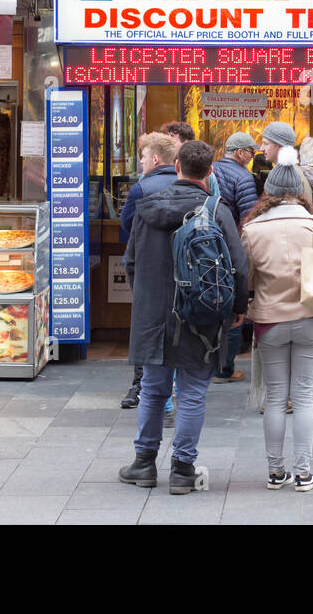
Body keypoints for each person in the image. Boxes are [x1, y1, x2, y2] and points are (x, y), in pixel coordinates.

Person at [119, 140, 249, 493]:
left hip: (153, 316)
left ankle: (143, 464)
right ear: (210, 172)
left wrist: (145, 299)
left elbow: (130, 262)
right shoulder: (217, 210)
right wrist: (238, 308)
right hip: (201, 315)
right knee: (191, 394)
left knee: (152, 389)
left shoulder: (147, 209)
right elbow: (238, 267)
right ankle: (182, 469)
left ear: (176, 165)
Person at [240, 146, 313, 492]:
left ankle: (275, 472)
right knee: (305, 396)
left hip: (270, 321)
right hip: (312, 317)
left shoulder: (252, 229)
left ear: (268, 190)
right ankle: (303, 472)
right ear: (299, 190)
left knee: (277, 398)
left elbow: (247, 279)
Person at [118, 133, 180, 409]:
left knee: (147, 329)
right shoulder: (188, 185)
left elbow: (128, 226)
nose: (141, 162)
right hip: (181, 270)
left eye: (143, 157)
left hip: (148, 269)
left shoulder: (140, 190)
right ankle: (174, 387)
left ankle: (144, 388)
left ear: (155, 158)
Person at [211, 132, 261, 383]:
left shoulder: (209, 170)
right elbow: (248, 219)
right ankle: (224, 368)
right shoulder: (243, 177)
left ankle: (206, 363)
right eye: (251, 153)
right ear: (240, 153)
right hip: (229, 248)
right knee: (232, 309)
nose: (252, 158)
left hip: (205, 248)